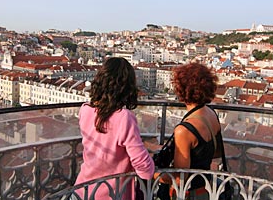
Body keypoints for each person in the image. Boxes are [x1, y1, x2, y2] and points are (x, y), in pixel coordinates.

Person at [74, 57, 155, 200]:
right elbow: (144, 169)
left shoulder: (85, 110)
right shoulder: (124, 118)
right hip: (111, 194)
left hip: (83, 190)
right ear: (127, 87)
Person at [155, 62, 221, 200]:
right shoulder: (211, 114)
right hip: (205, 189)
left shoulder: (184, 131)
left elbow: (181, 179)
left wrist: (154, 174)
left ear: (181, 89)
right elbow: (215, 153)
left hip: (188, 194)